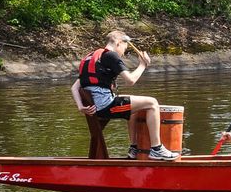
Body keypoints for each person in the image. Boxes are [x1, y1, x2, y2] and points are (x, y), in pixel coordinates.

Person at [72, 30, 178, 160]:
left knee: (134, 108)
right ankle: (157, 148)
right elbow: (130, 80)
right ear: (118, 43)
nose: (123, 53)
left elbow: (75, 87)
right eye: (124, 48)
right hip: (105, 107)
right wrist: (142, 65)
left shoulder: (91, 57)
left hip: (97, 107)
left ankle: (134, 148)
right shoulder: (111, 56)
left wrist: (80, 107)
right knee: (152, 103)